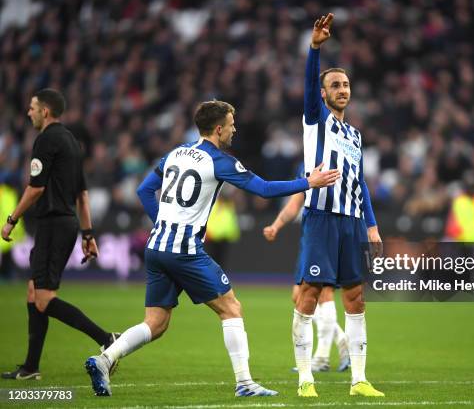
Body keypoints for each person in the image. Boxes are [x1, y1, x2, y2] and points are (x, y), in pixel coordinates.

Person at [84, 100, 340, 397]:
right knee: (231, 308)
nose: (235, 129)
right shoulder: (219, 161)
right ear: (218, 129)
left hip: (156, 247)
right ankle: (245, 383)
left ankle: (104, 359)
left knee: (155, 323)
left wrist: (164, 223)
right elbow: (264, 189)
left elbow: (144, 190)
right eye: (231, 124)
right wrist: (309, 182)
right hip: (184, 250)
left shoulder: (175, 153)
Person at [291, 13, 384, 398]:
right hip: (321, 218)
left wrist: (372, 225)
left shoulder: (355, 135)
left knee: (356, 297)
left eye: (345, 84)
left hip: (350, 222)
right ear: (323, 92)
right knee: (310, 293)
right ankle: (305, 380)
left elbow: (359, 180)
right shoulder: (316, 121)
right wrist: (315, 48)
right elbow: (310, 90)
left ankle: (359, 380)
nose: (342, 89)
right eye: (334, 85)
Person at [1, 88, 119, 381]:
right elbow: (82, 194)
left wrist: (11, 219)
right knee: (33, 293)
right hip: (63, 224)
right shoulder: (71, 142)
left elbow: (36, 187)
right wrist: (88, 233)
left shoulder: (46, 140)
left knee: (42, 298)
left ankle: (107, 339)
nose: (29, 112)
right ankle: (30, 367)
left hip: (53, 224)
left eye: (32, 108)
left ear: (46, 111)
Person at [263, 163, 350, 373]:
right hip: (312, 235)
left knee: (324, 292)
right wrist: (276, 225)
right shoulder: (308, 164)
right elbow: (295, 204)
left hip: (330, 231)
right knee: (300, 295)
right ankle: (342, 340)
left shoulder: (338, 160)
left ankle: (321, 357)